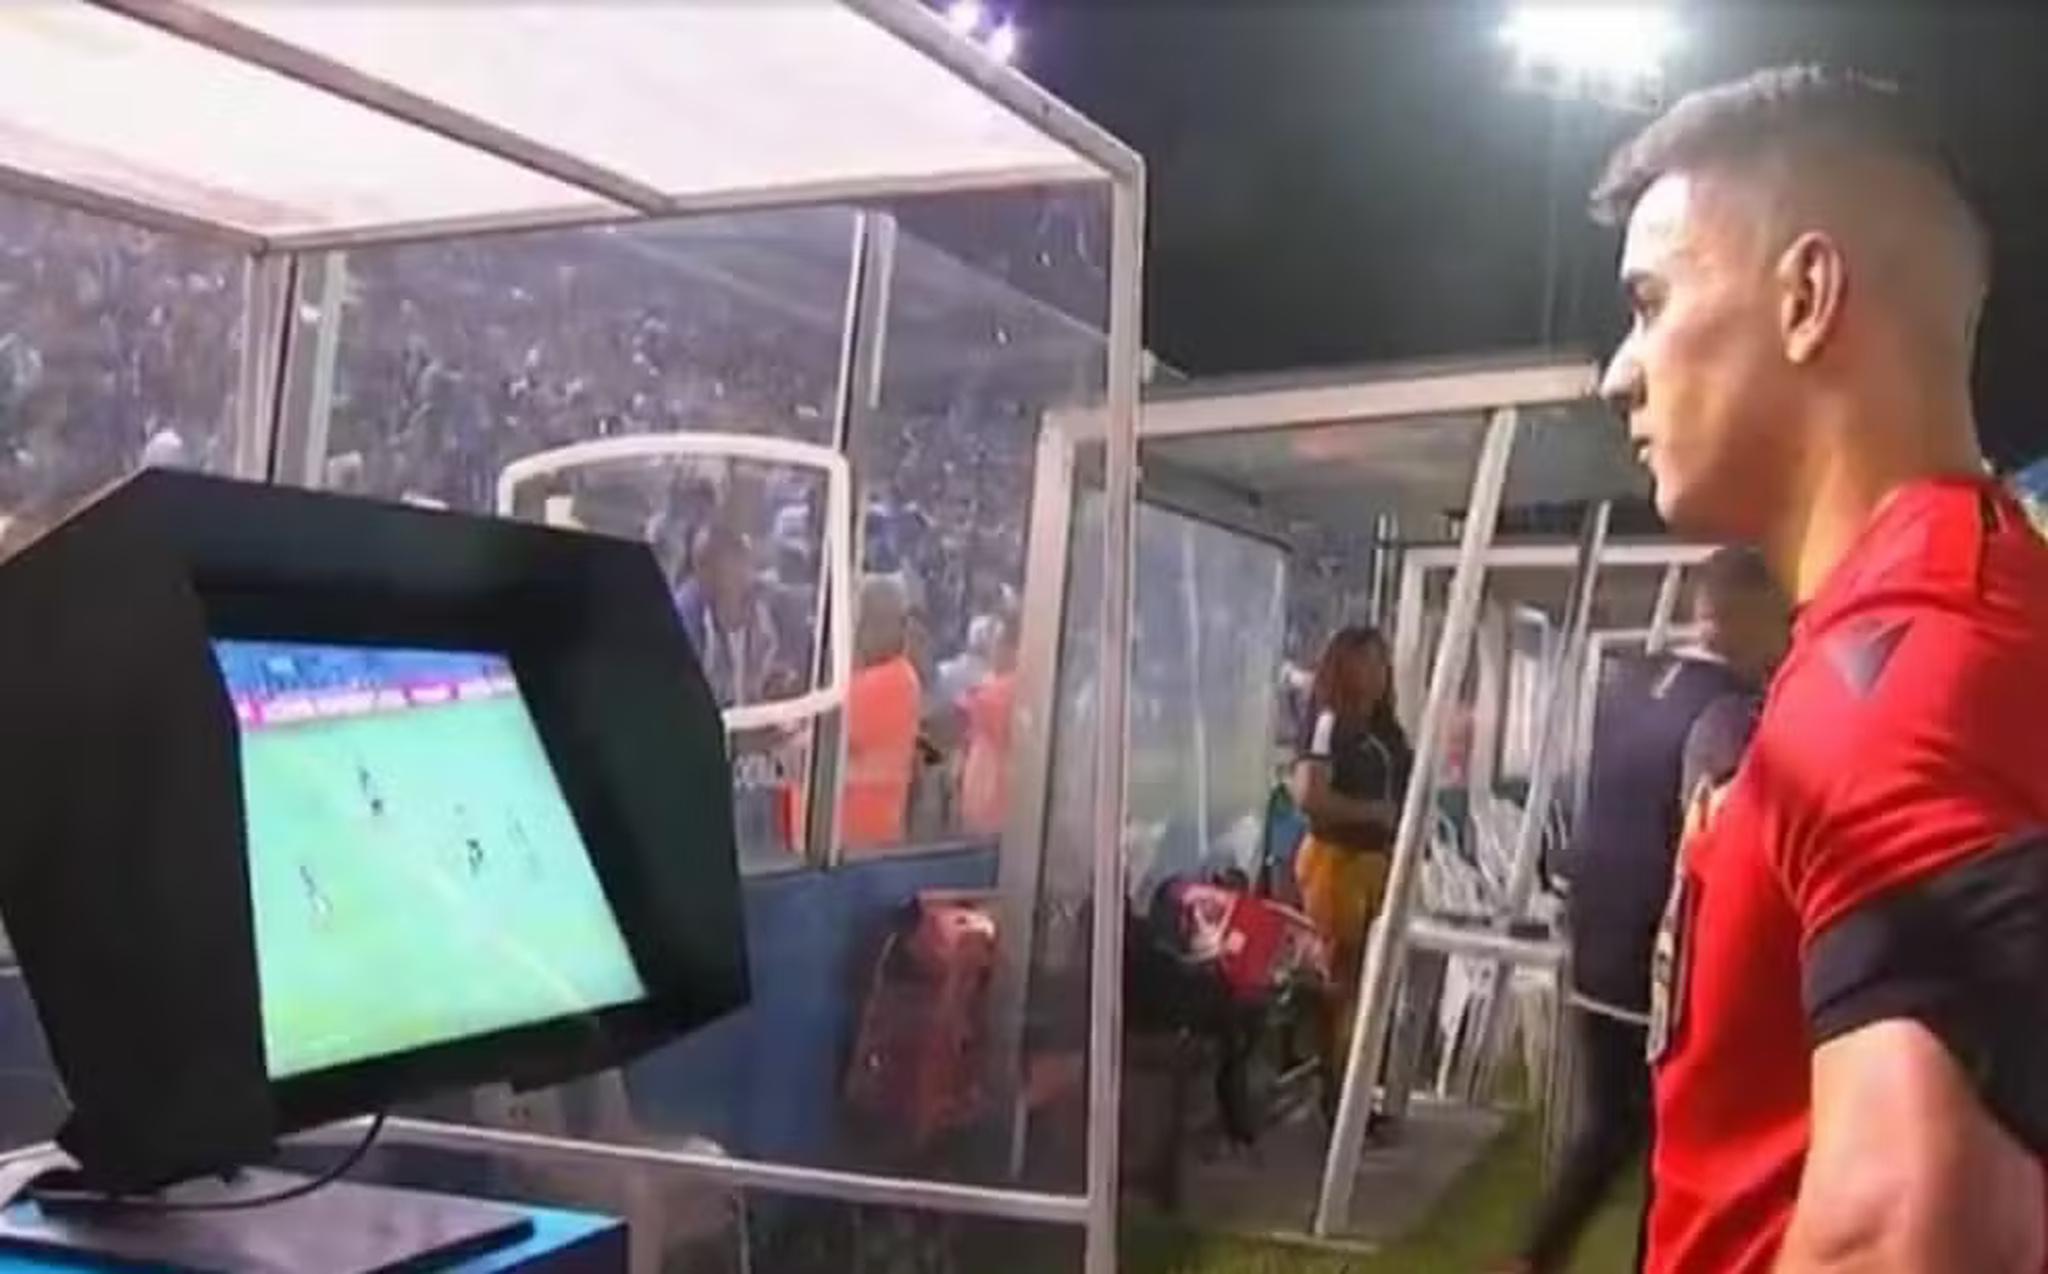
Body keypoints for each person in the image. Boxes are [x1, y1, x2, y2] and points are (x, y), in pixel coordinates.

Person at [1593, 66, 2048, 1271]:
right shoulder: (1902, 631)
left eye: (1647, 302)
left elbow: (1912, 1232)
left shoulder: (1915, 668)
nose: (1617, 371)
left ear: (1803, 297)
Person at [1504, 548, 1788, 1274]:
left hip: (1592, 933)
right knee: (1668, 1137)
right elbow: (1715, 830)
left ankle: (1536, 1257)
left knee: (1613, 1124)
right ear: (1752, 612)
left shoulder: (1627, 684)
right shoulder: (1731, 711)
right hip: (1660, 952)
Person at [1290, 626, 1413, 1093]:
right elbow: (1310, 795)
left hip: (1381, 864)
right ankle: (1335, 1088)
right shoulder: (1329, 723)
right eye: (1369, 662)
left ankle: (1364, 1086)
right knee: (1340, 978)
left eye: (1383, 663)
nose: (1379, 673)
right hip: (1337, 861)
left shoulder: (1387, 730)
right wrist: (1373, 812)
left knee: (1373, 981)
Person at [842, 575, 923, 853]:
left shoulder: (895, 680)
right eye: (861, 621)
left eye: (876, 621)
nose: (862, 632)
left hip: (866, 845)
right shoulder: (864, 677)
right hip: (844, 843)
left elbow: (821, 728)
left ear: (900, 626)